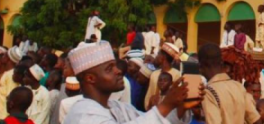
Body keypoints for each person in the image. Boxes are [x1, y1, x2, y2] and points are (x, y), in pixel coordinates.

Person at [65, 41, 195, 124]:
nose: (118, 71)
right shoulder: (83, 115)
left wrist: (180, 107)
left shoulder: (119, 107)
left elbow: (153, 120)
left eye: (115, 65)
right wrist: (166, 105)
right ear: (90, 78)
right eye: (109, 68)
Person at [145, 43, 181, 109]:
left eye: (158, 54)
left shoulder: (177, 75)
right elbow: (149, 96)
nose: (156, 56)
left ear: (163, 57)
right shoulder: (154, 74)